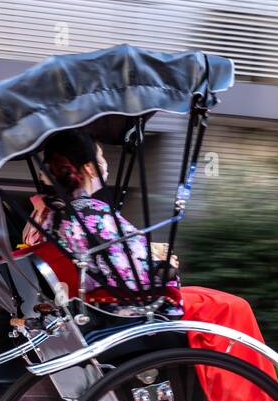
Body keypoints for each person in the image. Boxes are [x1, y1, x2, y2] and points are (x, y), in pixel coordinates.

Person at [22, 129, 180, 312]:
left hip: (75, 306)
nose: (105, 165)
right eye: (101, 158)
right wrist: (165, 266)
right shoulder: (93, 214)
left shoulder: (47, 216)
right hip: (114, 308)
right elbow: (130, 277)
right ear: (89, 168)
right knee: (216, 303)